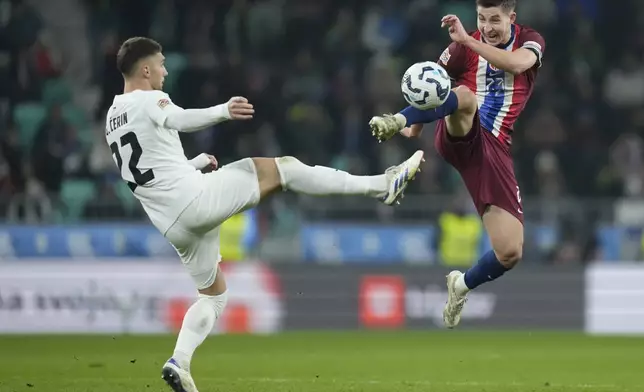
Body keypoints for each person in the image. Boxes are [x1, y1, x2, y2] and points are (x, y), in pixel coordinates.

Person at [105, 36, 424, 392]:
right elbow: (178, 118)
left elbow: (148, 172)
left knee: (213, 296)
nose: (165, 71)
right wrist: (222, 111)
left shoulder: (113, 117)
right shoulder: (149, 99)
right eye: (161, 64)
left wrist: (195, 164)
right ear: (145, 69)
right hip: (194, 200)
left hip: (172, 223)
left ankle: (179, 361)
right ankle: (382, 185)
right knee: (282, 168)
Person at [368, 0, 545, 329]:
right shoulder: (461, 49)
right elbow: (430, 85)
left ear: (512, 18)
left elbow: (518, 65)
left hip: (495, 151)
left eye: (495, 20)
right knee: (464, 96)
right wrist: (411, 123)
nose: (487, 26)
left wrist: (467, 39)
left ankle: (461, 285)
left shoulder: (528, 40)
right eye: (481, 19)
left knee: (510, 251)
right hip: (461, 135)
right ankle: (392, 120)